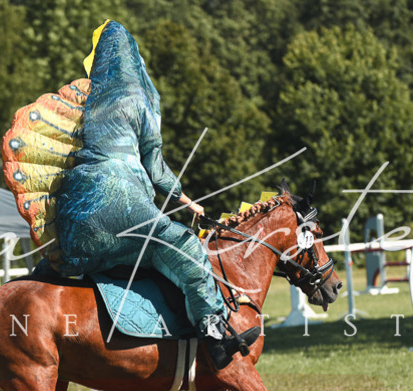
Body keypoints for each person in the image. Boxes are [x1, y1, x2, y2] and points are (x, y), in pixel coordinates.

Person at [51, 20, 259, 370]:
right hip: (116, 201)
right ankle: (214, 335)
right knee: (185, 246)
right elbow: (156, 169)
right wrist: (188, 203)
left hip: (73, 219)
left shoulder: (91, 104)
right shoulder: (137, 99)